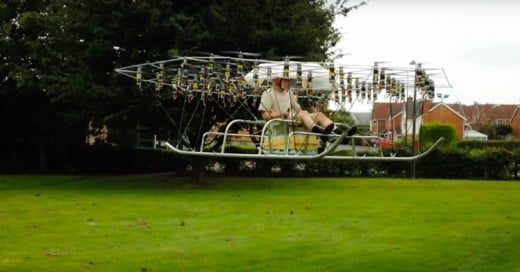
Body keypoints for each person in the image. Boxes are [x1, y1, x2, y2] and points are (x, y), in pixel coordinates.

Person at [258, 76, 356, 142]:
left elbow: (297, 109)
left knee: (319, 115)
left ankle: (342, 135)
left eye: (289, 81)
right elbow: (264, 115)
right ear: (277, 80)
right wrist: (280, 113)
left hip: (295, 118)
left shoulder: (289, 93)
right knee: (304, 114)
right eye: (286, 80)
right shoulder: (268, 94)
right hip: (282, 121)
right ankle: (320, 134)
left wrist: (303, 112)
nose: (288, 83)